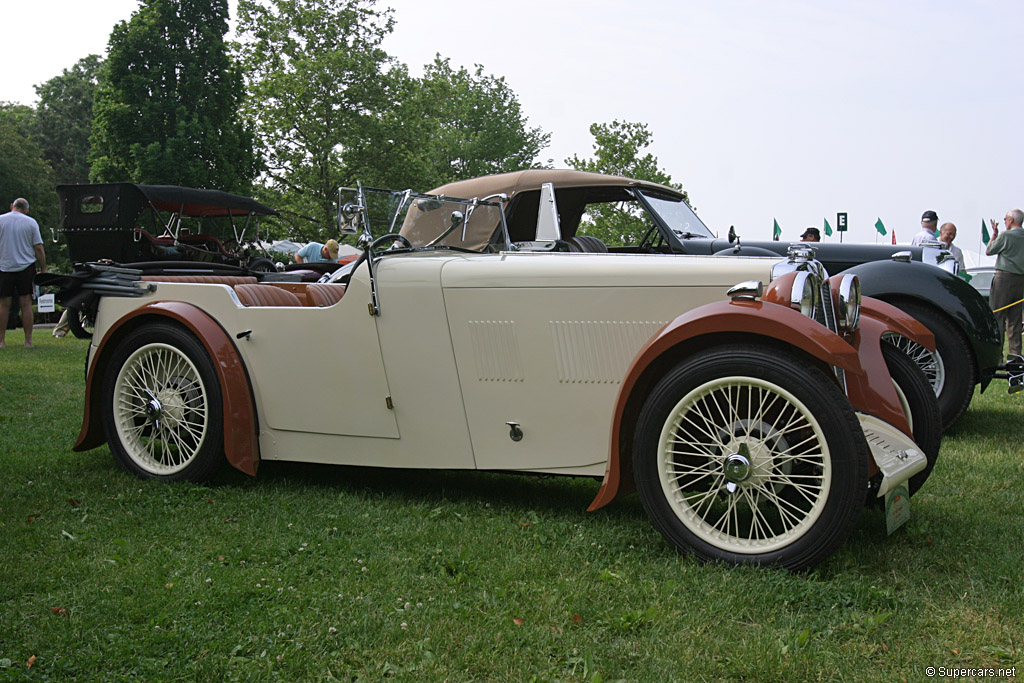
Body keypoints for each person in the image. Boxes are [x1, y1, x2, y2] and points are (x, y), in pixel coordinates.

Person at [0, 198, 47, 348]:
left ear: (11, 206)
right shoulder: (31, 222)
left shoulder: (1, 220)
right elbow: (38, 248)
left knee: (3, 305)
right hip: (26, 267)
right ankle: (28, 341)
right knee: (26, 304)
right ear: (26, 210)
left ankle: (1, 341)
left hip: (4, 267)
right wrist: (43, 269)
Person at [986, 209, 1024, 358]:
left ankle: (997, 354)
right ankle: (1016, 355)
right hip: (1021, 279)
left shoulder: (1006, 235)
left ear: (1010, 220)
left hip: (1004, 278)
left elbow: (989, 250)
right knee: (1015, 320)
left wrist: (994, 235)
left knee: (998, 317)